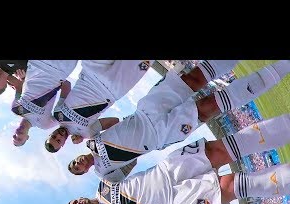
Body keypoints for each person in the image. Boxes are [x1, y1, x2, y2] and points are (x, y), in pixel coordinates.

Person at [68, 60, 290, 181]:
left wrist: (88, 131)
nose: (79, 164)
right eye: (78, 169)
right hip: (158, 136)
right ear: (84, 172)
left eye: (75, 162)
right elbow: (130, 166)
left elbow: (113, 119)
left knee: (194, 77)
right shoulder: (103, 173)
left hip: (145, 112)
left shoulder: (89, 138)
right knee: (209, 106)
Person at [67, 113, 290, 204]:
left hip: (165, 171)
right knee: (231, 186)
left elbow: (129, 162)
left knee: (221, 149)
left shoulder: (103, 181)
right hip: (172, 201)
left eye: (75, 201)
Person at [45, 60, 152, 152]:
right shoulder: (85, 134)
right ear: (63, 144)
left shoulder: (56, 113)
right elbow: (113, 121)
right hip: (112, 89)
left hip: (90, 72)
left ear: (50, 134)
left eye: (54, 136)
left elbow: (66, 85)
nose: (58, 135)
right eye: (58, 140)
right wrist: (91, 137)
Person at [10, 60, 78, 146]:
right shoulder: (45, 124)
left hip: (37, 63)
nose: (17, 135)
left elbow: (19, 86)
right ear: (27, 137)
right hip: (60, 68)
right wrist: (61, 81)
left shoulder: (15, 108)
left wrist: (23, 78)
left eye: (14, 136)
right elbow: (64, 120)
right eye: (19, 138)